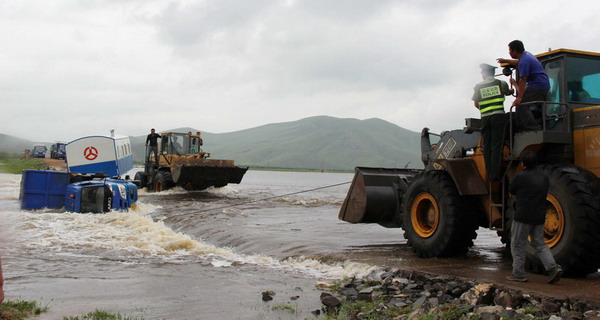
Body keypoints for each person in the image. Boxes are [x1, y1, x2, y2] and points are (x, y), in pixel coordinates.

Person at [507, 150, 563, 283]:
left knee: (517, 244)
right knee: (539, 244)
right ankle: (553, 268)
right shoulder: (544, 176)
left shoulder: (520, 177)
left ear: (523, 163)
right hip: (539, 216)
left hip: (522, 216)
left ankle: (518, 274)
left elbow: (512, 190)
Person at [472, 63, 513, 182]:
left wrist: (486, 109)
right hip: (498, 116)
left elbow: (476, 104)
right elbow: (508, 92)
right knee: (496, 145)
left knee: (487, 146)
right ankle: (495, 175)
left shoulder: (478, 86)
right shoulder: (501, 83)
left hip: (485, 118)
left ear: (485, 73)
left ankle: (489, 174)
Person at [497, 40, 550, 131]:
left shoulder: (524, 62)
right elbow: (518, 62)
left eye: (510, 50)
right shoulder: (527, 55)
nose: (509, 52)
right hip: (542, 85)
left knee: (521, 104)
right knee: (525, 104)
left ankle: (533, 128)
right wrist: (506, 60)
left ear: (514, 51)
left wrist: (519, 97)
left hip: (537, 86)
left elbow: (523, 79)